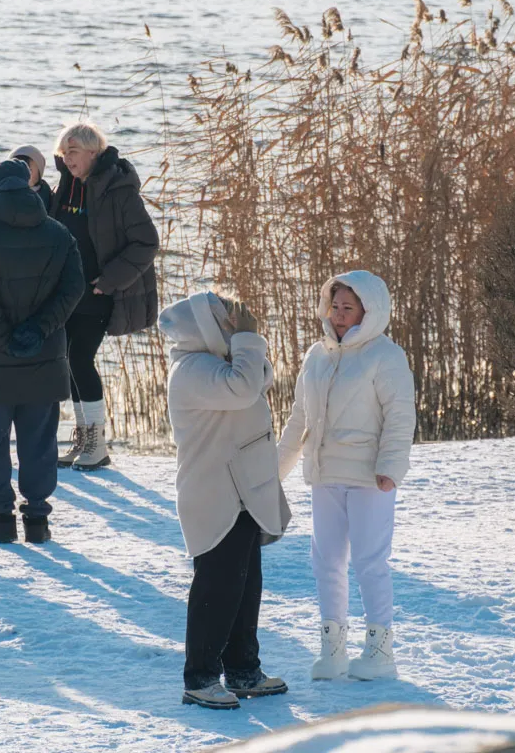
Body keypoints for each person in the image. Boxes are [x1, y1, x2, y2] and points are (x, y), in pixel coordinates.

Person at [277, 271, 416, 681]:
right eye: (334, 306)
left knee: (370, 561)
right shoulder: (316, 355)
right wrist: (274, 472)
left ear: (368, 311)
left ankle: (380, 650)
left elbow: (400, 415)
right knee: (326, 561)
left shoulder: (386, 355)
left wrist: (391, 467)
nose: (338, 315)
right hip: (325, 472)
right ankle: (333, 647)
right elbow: (299, 418)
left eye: (347, 308)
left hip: (370, 477)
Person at [159, 292, 291, 710]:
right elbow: (244, 388)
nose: (236, 328)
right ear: (206, 327)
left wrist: (247, 342)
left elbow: (261, 378)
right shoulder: (192, 370)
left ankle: (242, 669)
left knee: (245, 586)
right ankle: (199, 678)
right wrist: (248, 340)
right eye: (227, 323)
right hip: (215, 493)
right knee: (216, 589)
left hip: (240, 490)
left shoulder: (215, 362)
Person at [0, 159, 84, 543]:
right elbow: (72, 290)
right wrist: (37, 330)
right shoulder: (58, 232)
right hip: (42, 359)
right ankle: (37, 521)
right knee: (40, 442)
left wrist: (3, 338)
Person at [52, 122, 158, 471]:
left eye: (74, 152)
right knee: (67, 361)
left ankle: (97, 445)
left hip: (99, 290)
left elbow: (146, 242)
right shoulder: (66, 187)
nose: (67, 159)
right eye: (64, 152)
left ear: (93, 153)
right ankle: (84, 439)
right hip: (67, 292)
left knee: (80, 358)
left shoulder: (118, 190)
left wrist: (109, 280)